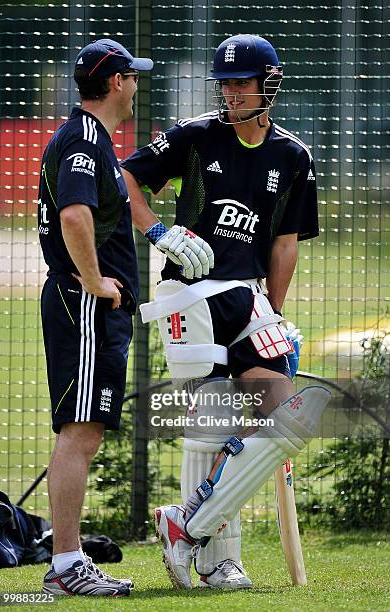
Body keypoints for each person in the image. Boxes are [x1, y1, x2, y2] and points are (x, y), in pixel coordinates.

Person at [121, 34, 322, 589]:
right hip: (189, 292)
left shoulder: (293, 155)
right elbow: (127, 177)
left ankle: (188, 526)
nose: (231, 94)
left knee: (290, 415)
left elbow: (285, 242)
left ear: (269, 85)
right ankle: (217, 562)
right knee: (212, 425)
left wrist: (273, 314)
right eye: (225, 84)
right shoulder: (193, 137)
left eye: (242, 83)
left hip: (247, 296)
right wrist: (158, 230)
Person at [37, 38, 155, 597]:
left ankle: (68, 560)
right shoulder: (85, 137)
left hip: (92, 306)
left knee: (84, 431)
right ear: (116, 83)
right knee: (80, 432)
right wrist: (93, 281)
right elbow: (75, 215)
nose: (137, 84)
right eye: (133, 76)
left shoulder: (97, 139)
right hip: (83, 303)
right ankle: (66, 565)